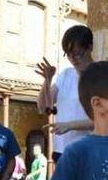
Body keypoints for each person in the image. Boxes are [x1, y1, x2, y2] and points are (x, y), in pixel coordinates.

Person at [36, 25, 95, 163]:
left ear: (90, 47)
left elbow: (104, 120)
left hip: (88, 150)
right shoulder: (65, 75)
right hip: (61, 150)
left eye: (77, 53)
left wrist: (69, 125)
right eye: (68, 54)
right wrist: (47, 79)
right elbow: (42, 107)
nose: (73, 58)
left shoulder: (100, 76)